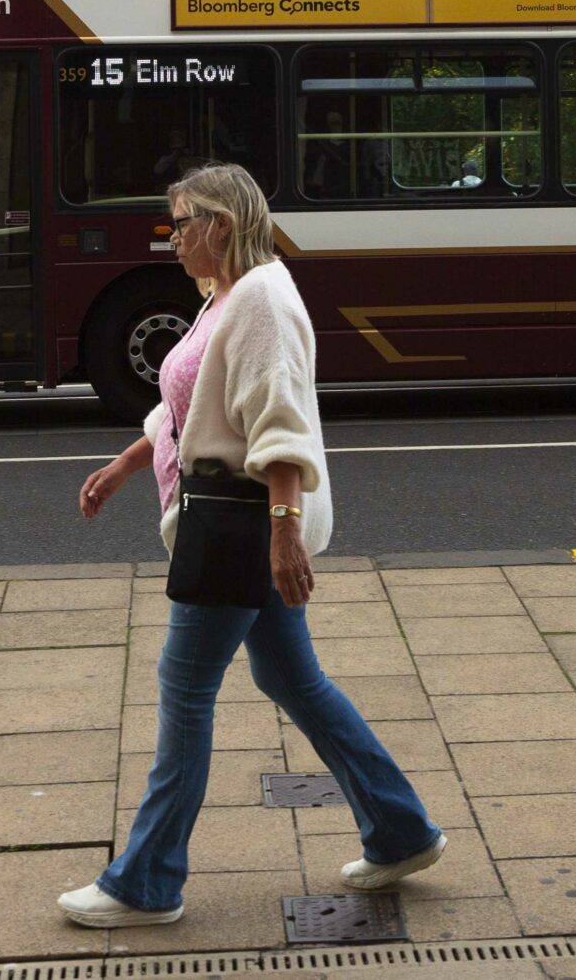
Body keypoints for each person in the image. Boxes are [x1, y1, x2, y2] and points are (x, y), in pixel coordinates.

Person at [61, 164, 442, 928]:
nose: (171, 240)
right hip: (232, 520)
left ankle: (146, 882)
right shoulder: (225, 297)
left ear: (222, 224)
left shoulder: (263, 298)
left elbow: (278, 422)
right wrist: (125, 465)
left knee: (185, 689)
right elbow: (190, 409)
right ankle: (400, 829)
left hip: (239, 528)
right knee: (294, 678)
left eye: (181, 222)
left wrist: (283, 531)